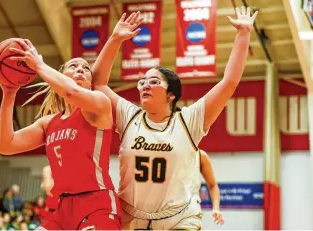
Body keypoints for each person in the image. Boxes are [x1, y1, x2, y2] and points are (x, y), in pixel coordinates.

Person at [92, 7, 257, 230]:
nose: (145, 86)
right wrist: (114, 39)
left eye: (154, 82)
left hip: (178, 217)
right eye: (142, 82)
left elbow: (228, 83)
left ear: (171, 95)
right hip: (130, 216)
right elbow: (99, 84)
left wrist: (243, 34)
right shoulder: (129, 116)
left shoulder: (189, 121)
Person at [0, 33, 134, 229]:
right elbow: (5, 145)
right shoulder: (48, 123)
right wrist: (9, 93)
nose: (80, 69)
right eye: (73, 66)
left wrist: (39, 66)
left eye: (86, 68)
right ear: (62, 75)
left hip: (97, 204)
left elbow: (71, 92)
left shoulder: (99, 105)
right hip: (63, 208)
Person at [193, 150, 224, 226]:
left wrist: (216, 208)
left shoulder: (200, 155)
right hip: (163, 210)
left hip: (190, 212)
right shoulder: (164, 152)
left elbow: (213, 185)